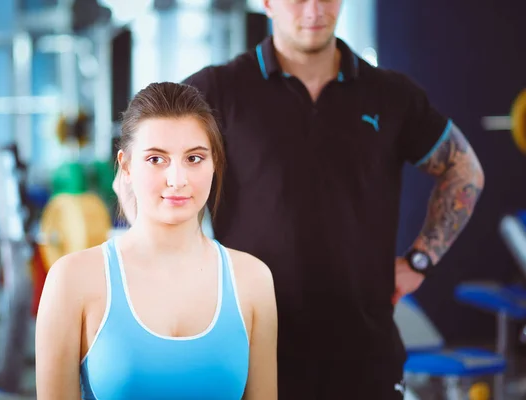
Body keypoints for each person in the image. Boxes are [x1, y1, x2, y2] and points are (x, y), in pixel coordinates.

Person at [115, 1, 485, 398]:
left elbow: (465, 171)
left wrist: (421, 259)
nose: (313, 9)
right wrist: (168, 276)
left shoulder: (391, 94)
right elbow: (135, 177)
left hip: (364, 354)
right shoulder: (217, 90)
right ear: (268, 3)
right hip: (250, 350)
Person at [35, 82, 278, 400]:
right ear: (126, 166)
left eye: (194, 158)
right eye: (155, 159)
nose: (177, 179)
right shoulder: (72, 279)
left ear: (214, 163)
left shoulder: (253, 279)